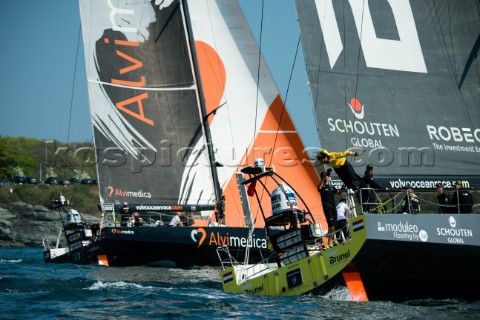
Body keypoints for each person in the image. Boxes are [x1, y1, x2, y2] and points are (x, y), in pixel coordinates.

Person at [318, 170, 340, 245]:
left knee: (334, 225)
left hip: (333, 207)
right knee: (331, 226)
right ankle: (334, 241)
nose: (327, 177)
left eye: (327, 175)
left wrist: (340, 190)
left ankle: (329, 241)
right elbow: (319, 189)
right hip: (327, 208)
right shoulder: (322, 186)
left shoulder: (331, 186)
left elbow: (338, 193)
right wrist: (322, 180)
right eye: (325, 176)